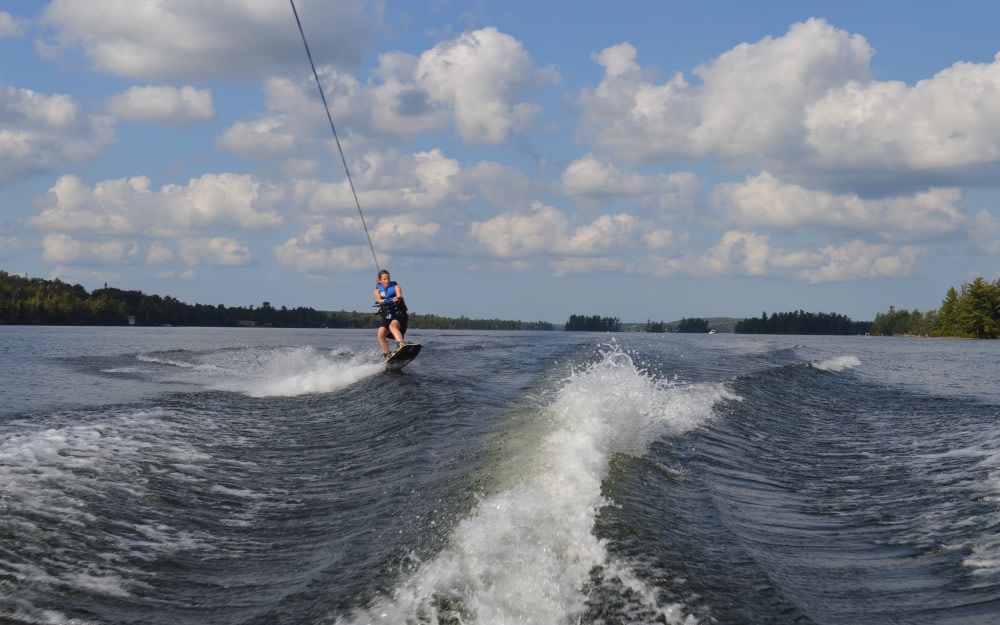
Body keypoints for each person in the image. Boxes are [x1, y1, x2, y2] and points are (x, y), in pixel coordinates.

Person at [374, 269, 408, 358]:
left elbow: (399, 295)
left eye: (388, 278)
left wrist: (396, 298)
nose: (387, 281)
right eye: (384, 279)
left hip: (399, 315)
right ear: (380, 281)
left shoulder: (396, 286)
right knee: (380, 333)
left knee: (392, 326)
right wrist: (382, 301)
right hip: (388, 316)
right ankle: (387, 354)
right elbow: (379, 299)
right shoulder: (377, 290)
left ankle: (401, 344)